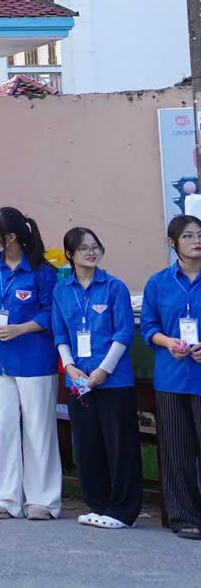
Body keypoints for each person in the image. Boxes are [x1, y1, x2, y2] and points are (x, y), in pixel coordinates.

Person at [0, 205, 61, 520]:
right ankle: (4, 497)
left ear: (10, 237)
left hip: (34, 359)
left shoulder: (42, 270)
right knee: (4, 427)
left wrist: (20, 329)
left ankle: (43, 500)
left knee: (38, 429)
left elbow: (50, 312)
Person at [52, 226, 139, 530]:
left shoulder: (114, 287)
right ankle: (98, 504)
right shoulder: (61, 290)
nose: (91, 253)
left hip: (113, 380)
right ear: (70, 254)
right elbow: (60, 333)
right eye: (84, 248)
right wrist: (69, 366)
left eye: (95, 247)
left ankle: (123, 510)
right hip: (78, 380)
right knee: (87, 444)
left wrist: (104, 369)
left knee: (120, 444)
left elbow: (124, 332)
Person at [141, 215, 201, 540]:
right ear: (172, 243)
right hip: (172, 377)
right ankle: (184, 517)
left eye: (200, 234)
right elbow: (149, 327)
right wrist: (168, 342)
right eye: (188, 236)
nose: (196, 241)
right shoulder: (158, 283)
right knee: (177, 451)